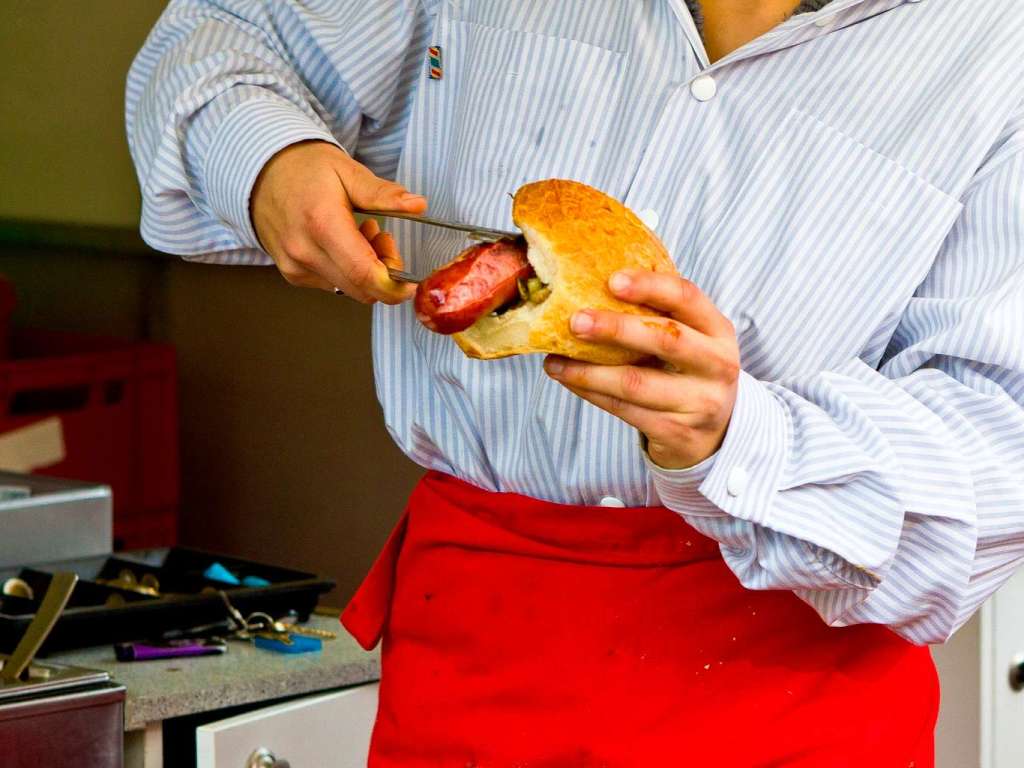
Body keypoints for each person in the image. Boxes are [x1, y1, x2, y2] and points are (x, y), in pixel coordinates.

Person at [127, 1, 1024, 764]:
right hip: (468, 663)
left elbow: (1001, 450)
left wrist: (744, 436)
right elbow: (223, 35)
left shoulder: (996, 45)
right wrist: (270, 161)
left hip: (792, 697)